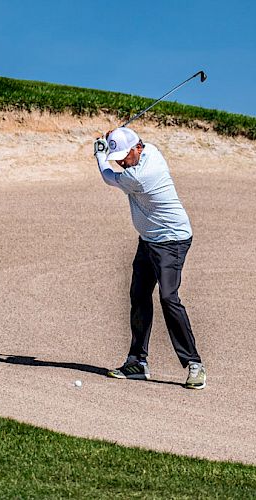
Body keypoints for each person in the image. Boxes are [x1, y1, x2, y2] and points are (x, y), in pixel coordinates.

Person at [93, 127, 206, 389]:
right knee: (139, 295)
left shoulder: (141, 176)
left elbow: (108, 177)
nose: (121, 161)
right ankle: (137, 362)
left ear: (138, 148)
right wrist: (114, 137)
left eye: (124, 155)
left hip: (172, 241)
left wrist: (100, 155)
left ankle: (194, 364)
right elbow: (122, 151)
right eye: (117, 156)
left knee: (168, 297)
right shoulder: (151, 150)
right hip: (149, 240)